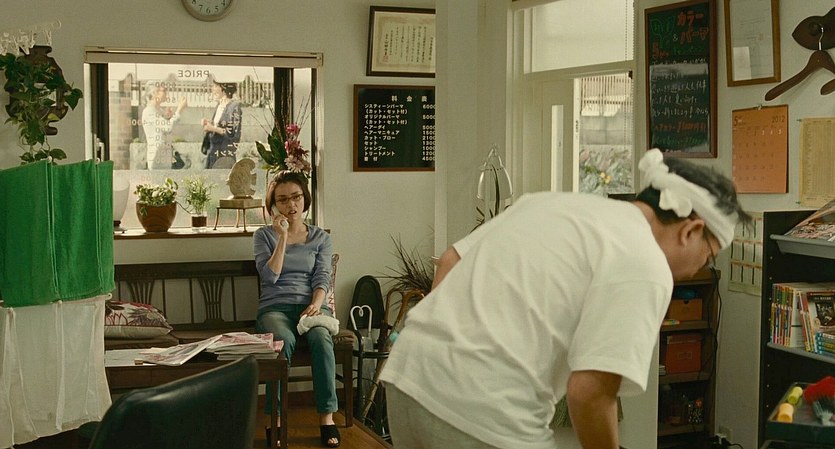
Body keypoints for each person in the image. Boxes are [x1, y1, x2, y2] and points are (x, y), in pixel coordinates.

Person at [379, 148, 752, 449]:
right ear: (691, 230)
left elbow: (450, 260)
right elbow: (589, 393)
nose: (695, 270)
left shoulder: (550, 203)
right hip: (485, 411)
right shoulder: (646, 262)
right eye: (707, 257)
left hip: (409, 377)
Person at [253, 171, 341, 448]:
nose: (291, 205)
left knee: (321, 339)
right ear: (273, 206)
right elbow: (270, 277)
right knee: (283, 341)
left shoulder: (320, 238)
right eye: (282, 200)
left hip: (312, 306)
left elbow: (322, 277)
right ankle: (275, 421)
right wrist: (282, 237)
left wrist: (315, 305)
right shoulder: (263, 236)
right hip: (275, 309)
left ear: (305, 199)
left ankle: (327, 419)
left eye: (296, 197)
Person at [141, 81, 187, 170]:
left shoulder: (158, 111)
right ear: (154, 93)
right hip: (156, 159)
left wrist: (168, 117)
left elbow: (164, 128)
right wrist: (179, 110)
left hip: (164, 157)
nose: (166, 93)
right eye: (164, 90)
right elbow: (168, 127)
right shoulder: (149, 111)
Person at [202, 80, 242, 169]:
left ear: (224, 89)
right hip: (213, 152)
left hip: (224, 154)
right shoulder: (219, 106)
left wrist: (212, 128)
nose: (213, 89)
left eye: (216, 86)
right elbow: (218, 126)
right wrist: (209, 124)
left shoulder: (234, 107)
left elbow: (232, 133)